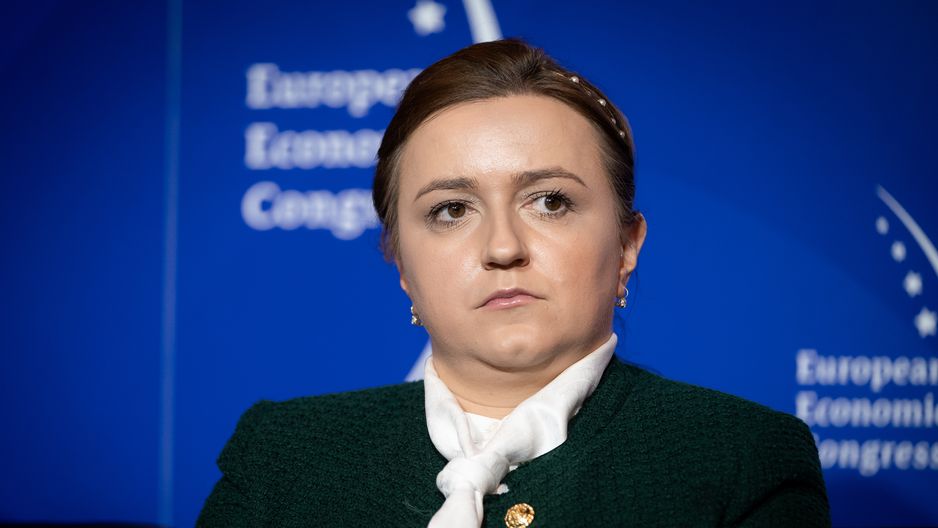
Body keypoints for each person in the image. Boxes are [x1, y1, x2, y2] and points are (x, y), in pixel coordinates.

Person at [197, 38, 831, 527]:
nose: (503, 247)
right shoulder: (281, 455)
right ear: (401, 264)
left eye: (550, 202)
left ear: (626, 246)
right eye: (451, 210)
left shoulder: (742, 458)